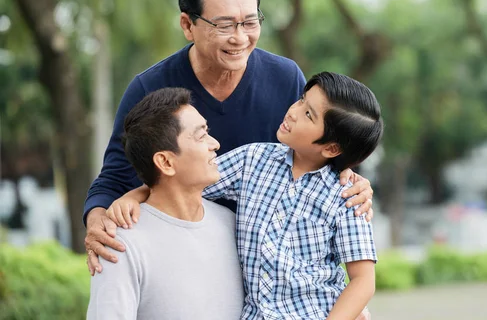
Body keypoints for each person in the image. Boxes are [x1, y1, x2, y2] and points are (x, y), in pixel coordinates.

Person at [83, 0, 374, 275]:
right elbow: (113, 179)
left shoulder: (285, 78)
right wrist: (98, 222)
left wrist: (352, 181)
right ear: (188, 25)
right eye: (224, 25)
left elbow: (319, 161)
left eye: (250, 22)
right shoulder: (150, 88)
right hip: (182, 258)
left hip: (271, 267)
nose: (240, 37)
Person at [109, 72, 382, 319]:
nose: (294, 111)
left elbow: (363, 281)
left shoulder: (348, 196)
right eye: (301, 100)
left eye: (309, 114)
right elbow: (183, 182)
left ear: (332, 148)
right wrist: (133, 196)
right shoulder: (252, 160)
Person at [87, 88, 244, 319]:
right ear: (165, 162)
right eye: (201, 136)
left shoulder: (232, 224)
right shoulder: (121, 246)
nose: (215, 144)